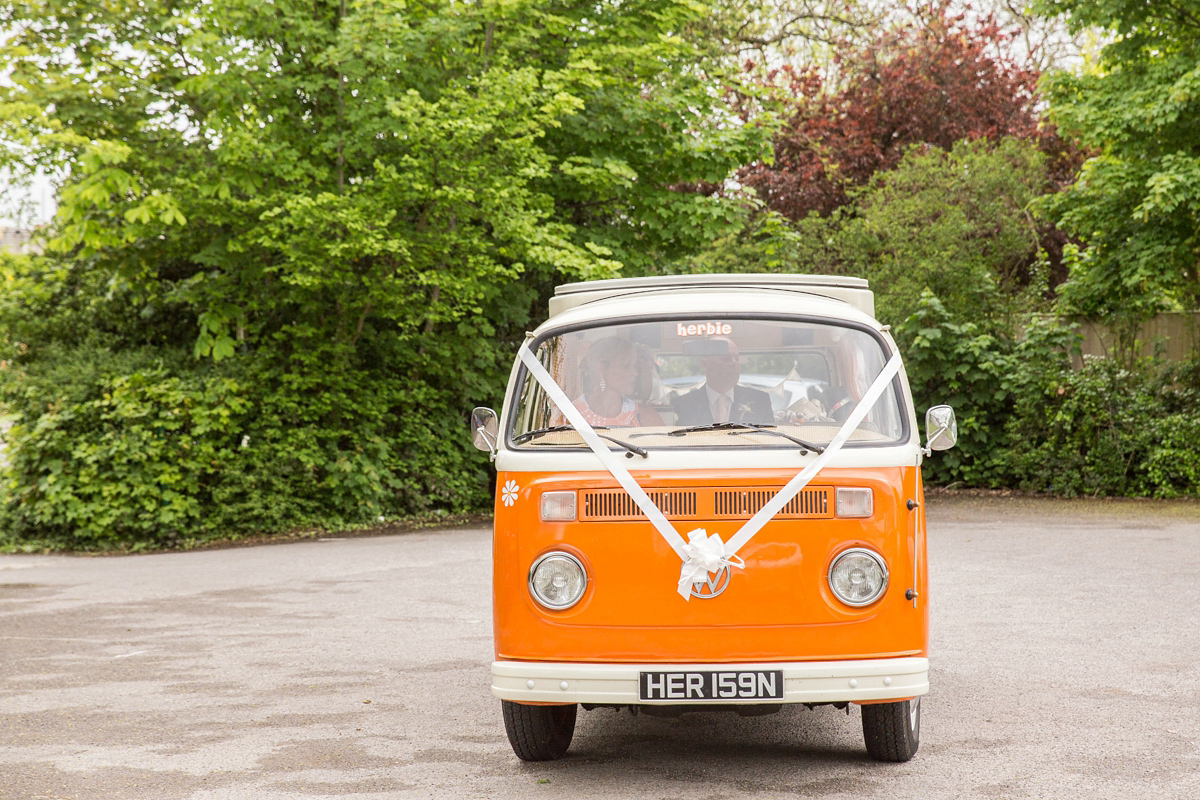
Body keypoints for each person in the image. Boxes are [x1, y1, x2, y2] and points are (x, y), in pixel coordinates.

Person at [671, 337, 773, 426]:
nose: (734, 363)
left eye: (737, 358)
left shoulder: (759, 400)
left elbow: (770, 442)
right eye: (726, 358)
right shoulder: (682, 405)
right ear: (705, 364)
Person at [573, 337, 665, 427]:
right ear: (600, 368)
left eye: (634, 366)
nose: (635, 373)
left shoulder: (647, 417)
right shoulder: (568, 415)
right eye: (625, 366)